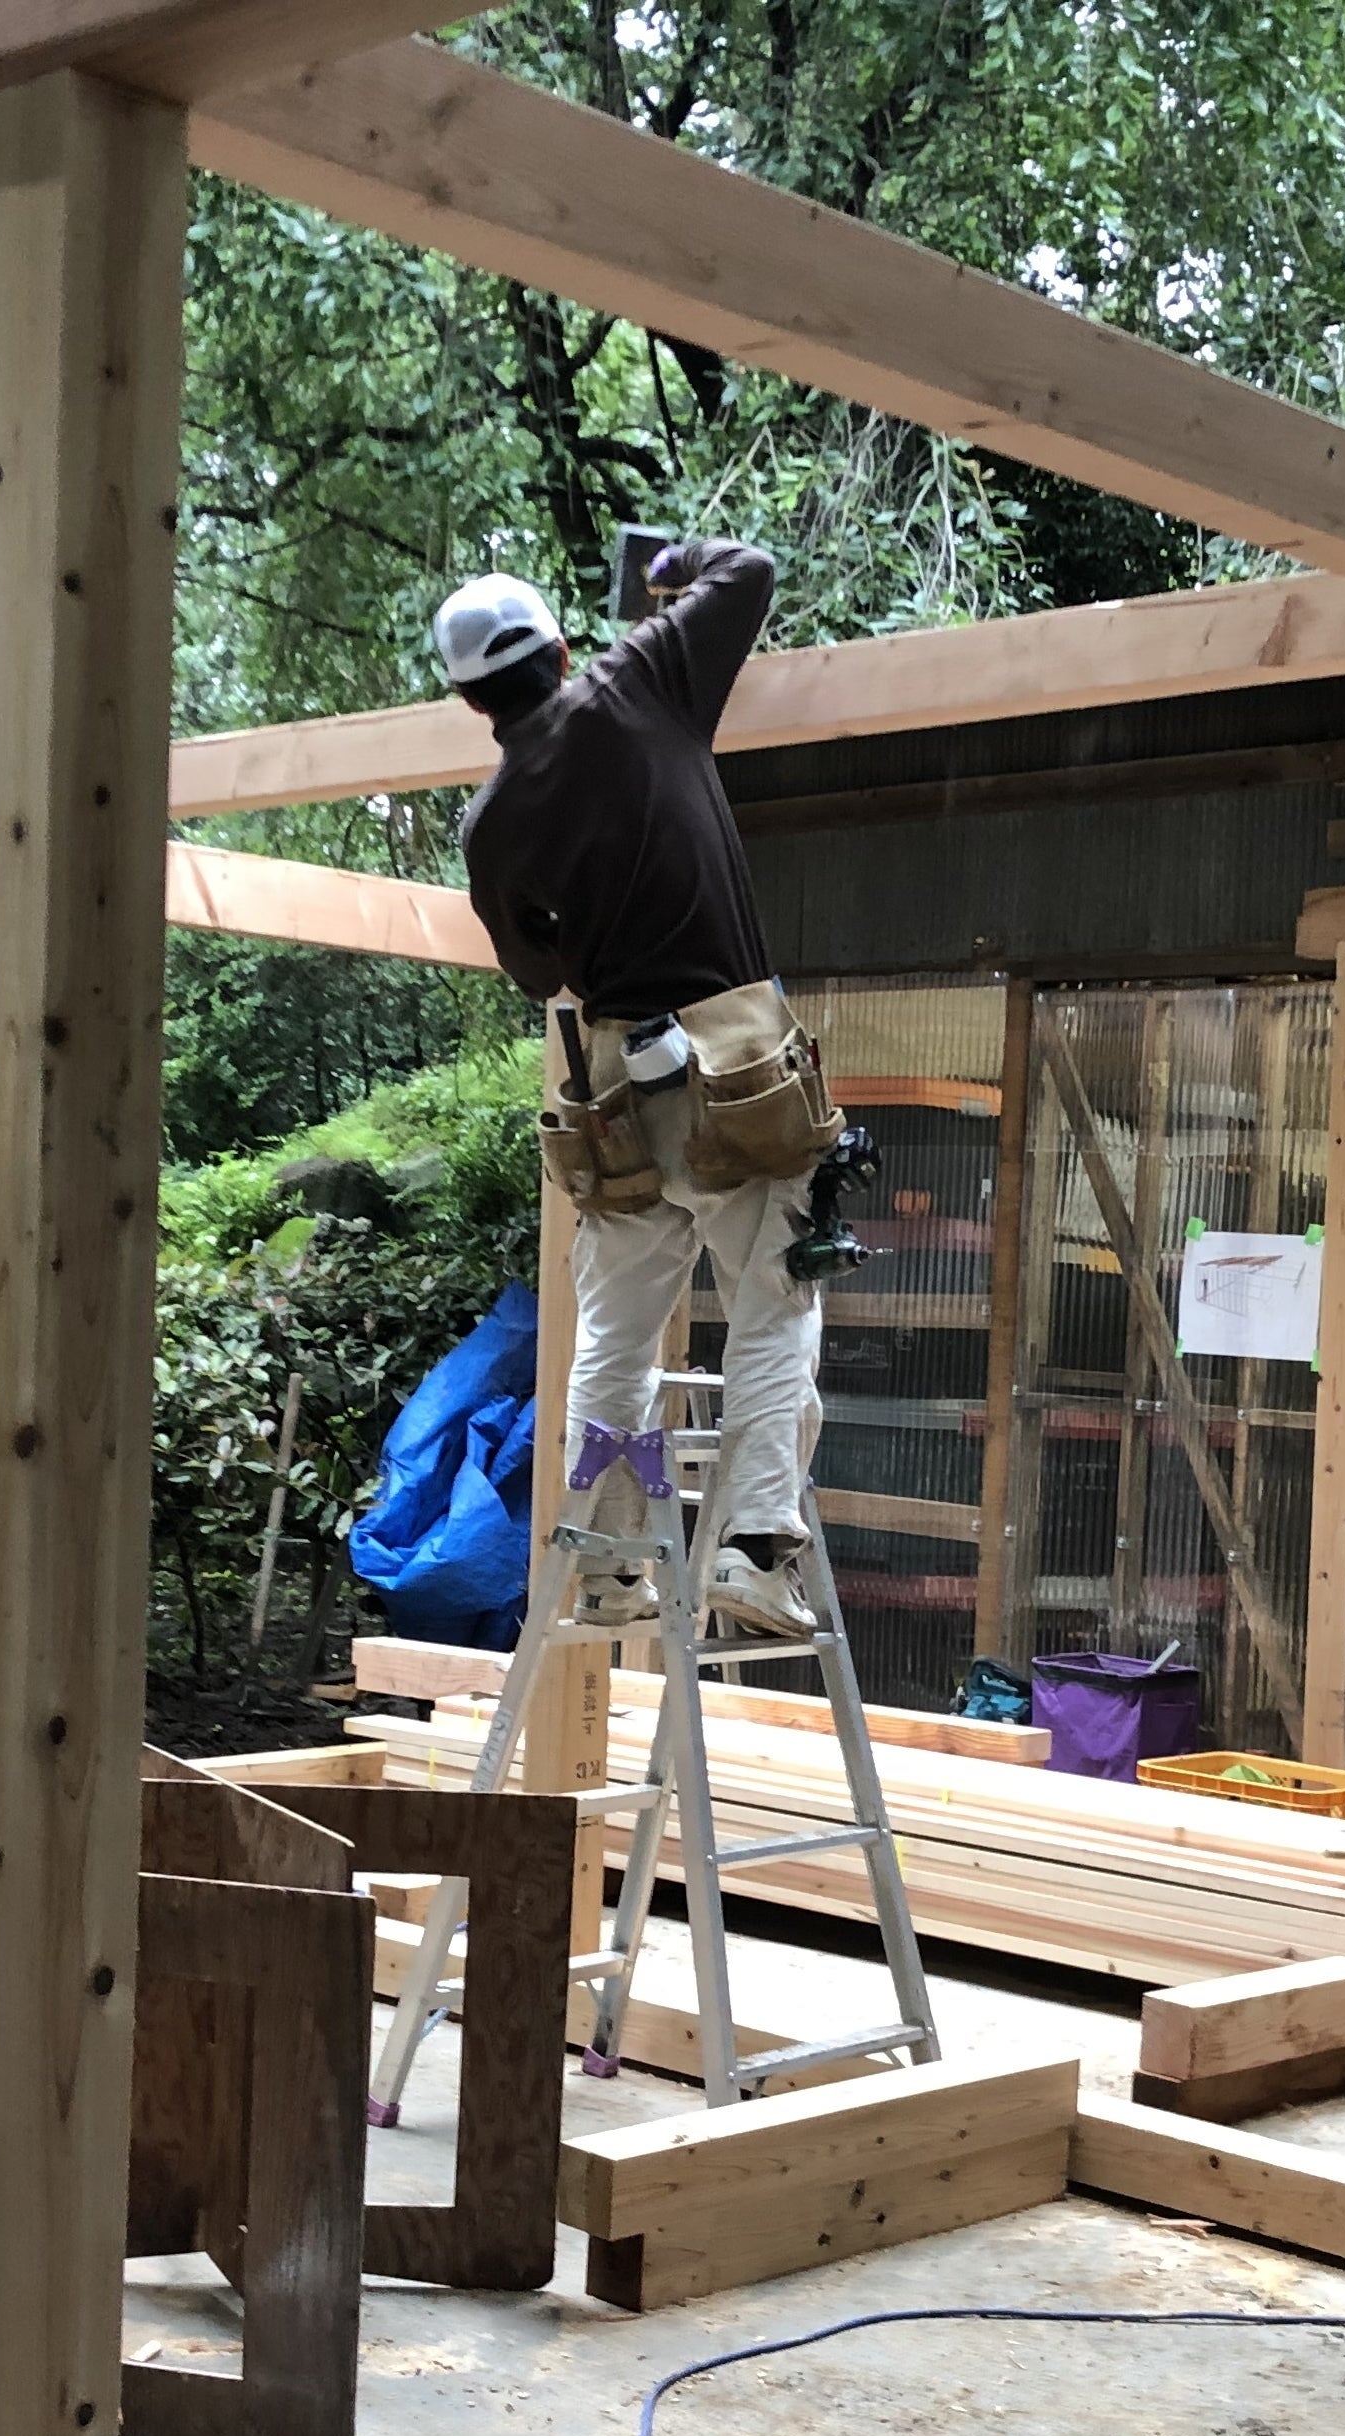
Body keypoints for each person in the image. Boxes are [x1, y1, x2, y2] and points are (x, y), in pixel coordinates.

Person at [446, 539, 841, 1640]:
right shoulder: (638, 683)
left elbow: (537, 974)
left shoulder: (492, 823)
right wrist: (673, 564)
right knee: (773, 1303)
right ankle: (754, 1552)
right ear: (561, 649)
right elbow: (750, 572)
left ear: (470, 700)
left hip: (618, 1088)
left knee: (614, 1338)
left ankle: (614, 1570)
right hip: (736, 1064)